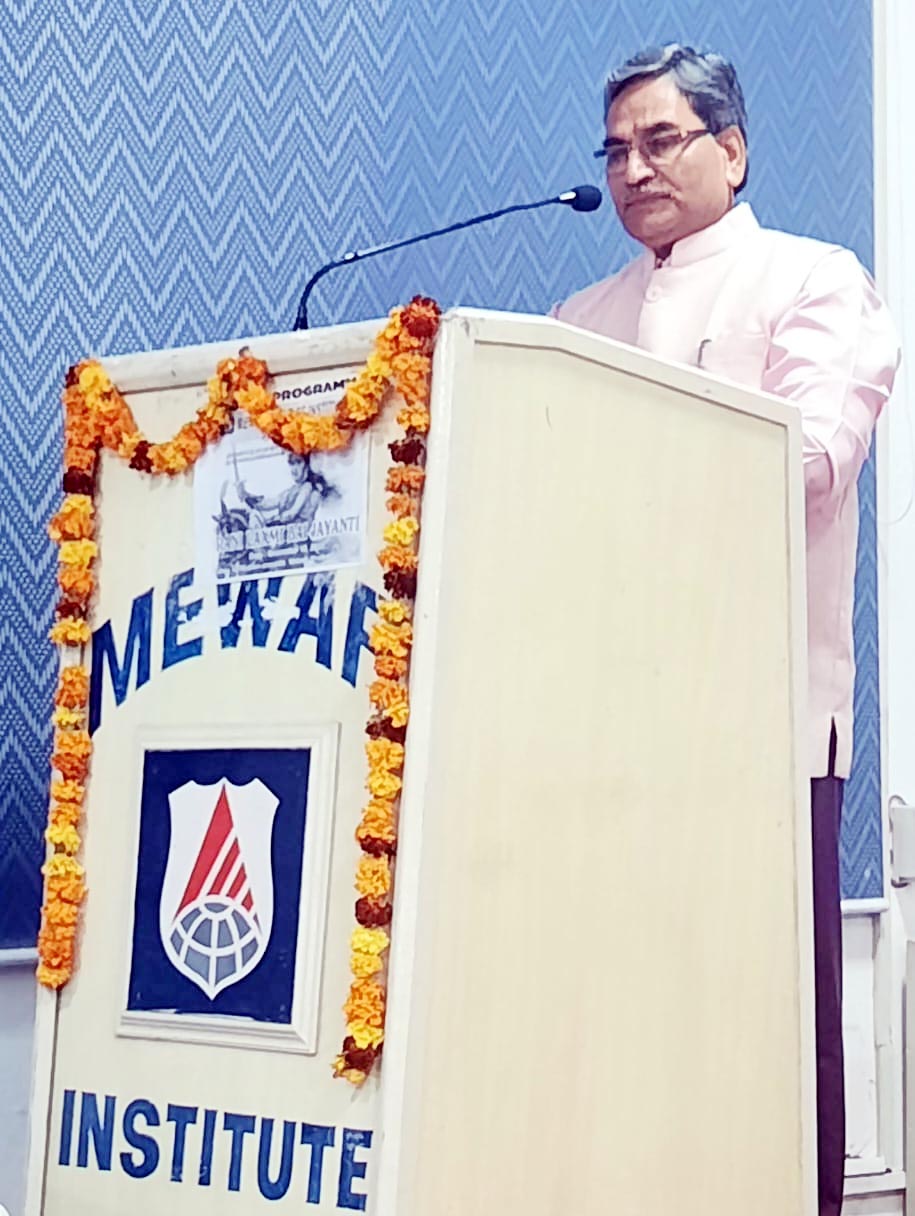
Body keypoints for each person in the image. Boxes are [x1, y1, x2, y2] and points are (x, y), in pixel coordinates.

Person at [551, 43, 900, 1216]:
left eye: (662, 140)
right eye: (616, 149)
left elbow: (812, 460)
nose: (634, 169)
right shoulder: (578, 320)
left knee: (769, 1024)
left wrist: (627, 474)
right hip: (605, 728)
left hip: (762, 723)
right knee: (629, 1015)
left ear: (733, 150)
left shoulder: (815, 282)